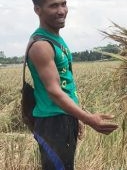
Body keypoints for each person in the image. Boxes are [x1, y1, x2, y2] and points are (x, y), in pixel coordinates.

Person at [27, 0, 118, 169]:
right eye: (54, 6)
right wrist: (88, 118)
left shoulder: (56, 40)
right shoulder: (41, 46)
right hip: (51, 122)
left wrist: (75, 117)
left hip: (63, 118)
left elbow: (65, 84)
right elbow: (54, 91)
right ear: (37, 10)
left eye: (63, 4)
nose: (61, 11)